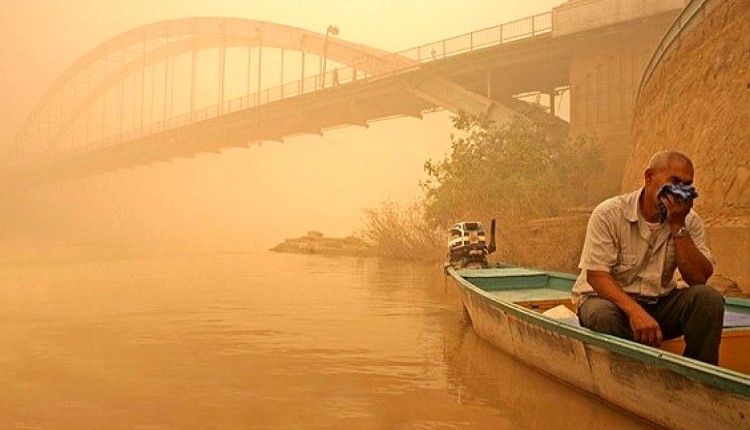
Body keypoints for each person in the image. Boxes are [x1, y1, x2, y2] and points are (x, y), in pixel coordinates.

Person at [572, 150, 724, 365]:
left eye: (686, 185)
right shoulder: (608, 213)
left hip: (659, 305)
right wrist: (635, 312)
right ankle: (626, 379)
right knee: (601, 314)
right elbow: (597, 276)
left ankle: (699, 381)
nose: (679, 191)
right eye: (674, 181)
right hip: (612, 304)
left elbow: (698, 279)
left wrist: (677, 226)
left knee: (708, 299)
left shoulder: (689, 221)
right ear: (649, 177)